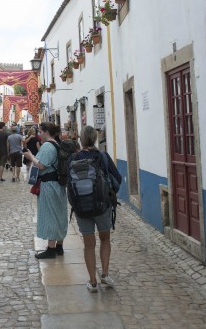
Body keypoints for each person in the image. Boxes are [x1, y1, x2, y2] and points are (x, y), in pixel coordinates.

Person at [69, 125, 120, 292]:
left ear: (81, 140)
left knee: (89, 244)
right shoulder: (103, 156)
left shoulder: (74, 157)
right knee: (105, 239)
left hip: (82, 207)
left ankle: (92, 282)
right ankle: (105, 275)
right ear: (95, 138)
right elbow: (117, 178)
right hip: (102, 206)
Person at [23, 122, 67, 259]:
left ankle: (51, 249)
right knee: (59, 214)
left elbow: (41, 165)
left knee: (50, 214)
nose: (39, 135)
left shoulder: (48, 146)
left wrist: (30, 157)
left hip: (49, 185)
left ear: (46, 132)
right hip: (57, 185)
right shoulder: (57, 144)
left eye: (40, 132)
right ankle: (59, 246)